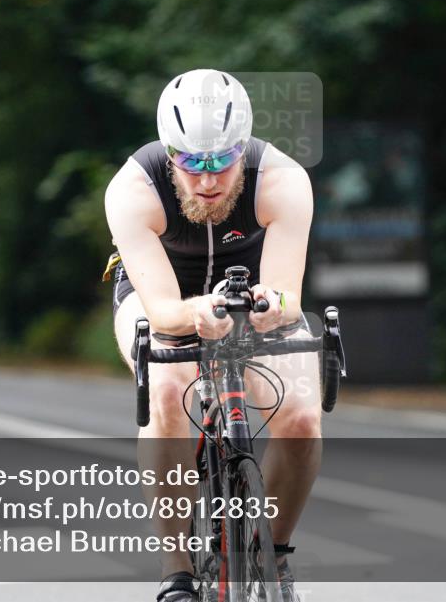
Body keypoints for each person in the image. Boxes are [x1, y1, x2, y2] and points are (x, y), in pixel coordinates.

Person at [104, 70, 321, 602]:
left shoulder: (283, 179)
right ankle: (176, 572)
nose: (207, 178)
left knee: (301, 415)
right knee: (167, 395)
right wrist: (195, 314)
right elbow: (162, 314)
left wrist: (273, 308)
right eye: (191, 161)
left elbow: (288, 296)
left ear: (242, 148)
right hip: (163, 292)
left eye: (222, 160)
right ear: (168, 152)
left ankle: (276, 553)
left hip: (251, 288)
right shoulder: (133, 189)